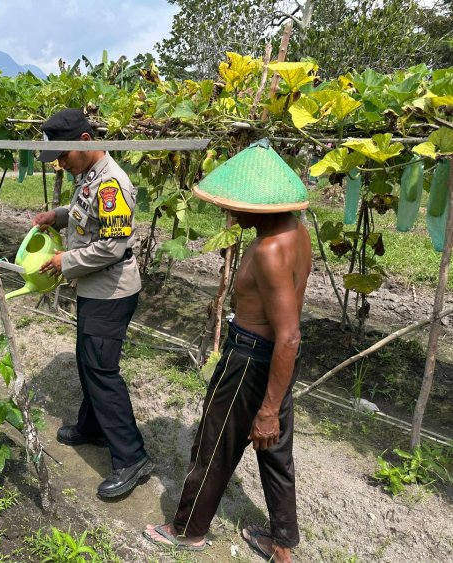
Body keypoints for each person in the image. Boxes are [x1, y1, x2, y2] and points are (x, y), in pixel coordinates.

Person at [143, 140, 311, 563]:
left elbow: (287, 335)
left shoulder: (271, 250)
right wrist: (274, 399)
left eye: (238, 204)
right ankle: (282, 544)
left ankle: (187, 530)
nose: (230, 211)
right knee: (275, 454)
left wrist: (268, 407)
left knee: (214, 444)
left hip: (252, 358)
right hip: (274, 362)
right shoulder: (296, 232)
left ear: (261, 205)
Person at [31, 108, 152, 498]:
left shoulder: (113, 183)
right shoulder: (89, 176)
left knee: (102, 370)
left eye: (63, 157)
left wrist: (65, 262)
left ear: (84, 142)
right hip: (94, 289)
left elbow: (113, 247)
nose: (61, 165)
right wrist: (60, 215)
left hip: (111, 291)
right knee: (88, 360)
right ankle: (93, 426)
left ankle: (131, 457)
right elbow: (88, 216)